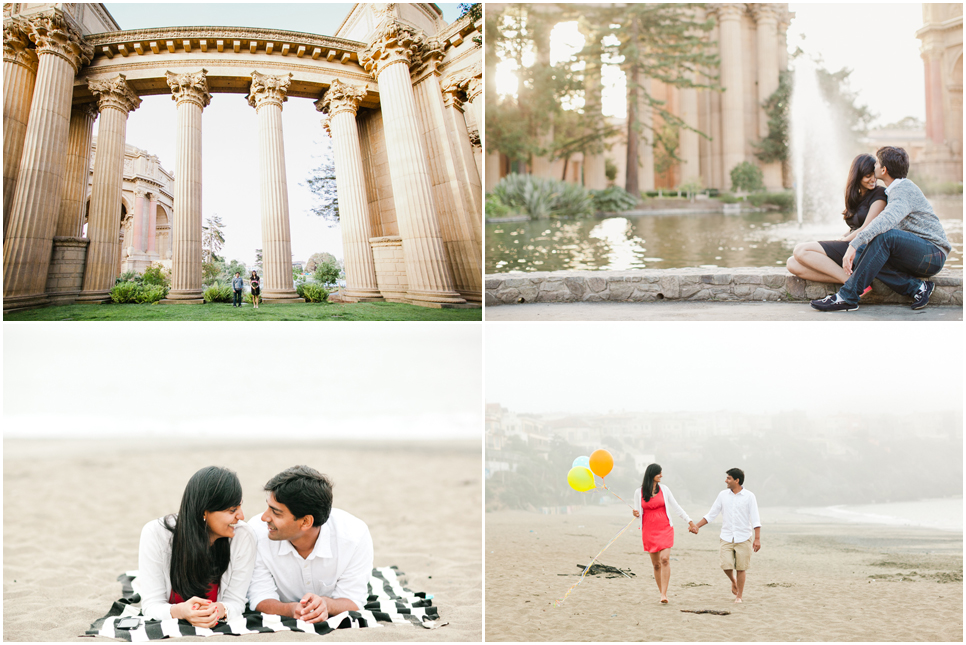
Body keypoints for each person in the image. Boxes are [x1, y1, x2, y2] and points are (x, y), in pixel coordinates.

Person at [811, 146, 951, 311]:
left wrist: (853, 244)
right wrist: (858, 247)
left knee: (885, 237)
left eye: (876, 163)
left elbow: (885, 221)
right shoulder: (893, 191)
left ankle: (847, 297)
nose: (874, 166)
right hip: (917, 254)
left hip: (933, 253)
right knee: (865, 254)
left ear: (883, 170)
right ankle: (918, 288)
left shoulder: (903, 189)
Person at [247, 466, 374, 624]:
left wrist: (327, 605)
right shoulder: (255, 534)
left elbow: (353, 600)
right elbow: (259, 597)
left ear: (306, 521)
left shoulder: (354, 536)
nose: (264, 517)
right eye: (268, 507)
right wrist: (291, 609)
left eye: (276, 512)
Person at [138, 466, 256, 626]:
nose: (241, 516)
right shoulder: (157, 534)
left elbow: (235, 602)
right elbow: (151, 605)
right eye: (232, 510)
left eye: (240, 506)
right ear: (204, 512)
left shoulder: (243, 536)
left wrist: (218, 610)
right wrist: (181, 612)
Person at [787, 153, 887, 285]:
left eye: (874, 174)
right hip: (850, 243)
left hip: (861, 247)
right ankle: (854, 281)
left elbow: (866, 228)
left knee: (801, 250)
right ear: (857, 176)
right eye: (867, 176)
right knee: (792, 263)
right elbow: (854, 227)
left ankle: (852, 284)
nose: (873, 179)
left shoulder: (879, 194)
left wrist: (844, 241)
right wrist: (841, 238)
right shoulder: (856, 197)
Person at [691, 468, 761, 603]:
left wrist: (757, 539)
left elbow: (755, 518)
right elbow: (711, 514)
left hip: (744, 537)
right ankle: (732, 580)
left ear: (737, 480)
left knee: (741, 568)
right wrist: (696, 526)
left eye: (729, 478)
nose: (726, 481)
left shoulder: (749, 496)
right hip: (726, 536)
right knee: (726, 565)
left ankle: (739, 596)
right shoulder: (722, 495)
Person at [630, 463, 696, 604]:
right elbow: (637, 511)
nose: (661, 475)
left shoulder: (664, 490)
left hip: (665, 527)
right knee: (656, 565)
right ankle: (661, 592)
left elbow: (676, 507)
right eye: (659, 473)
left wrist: (689, 521)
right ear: (651, 474)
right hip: (648, 530)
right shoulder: (639, 492)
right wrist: (635, 513)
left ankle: (664, 594)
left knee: (665, 559)